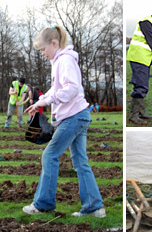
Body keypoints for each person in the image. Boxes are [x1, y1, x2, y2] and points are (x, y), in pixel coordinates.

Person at [22, 25, 105, 217]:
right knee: (81, 162)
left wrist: (49, 100)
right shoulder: (59, 61)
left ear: (54, 43)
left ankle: (43, 204)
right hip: (80, 116)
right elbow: (55, 89)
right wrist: (39, 103)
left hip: (74, 117)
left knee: (49, 155)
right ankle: (94, 207)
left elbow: (72, 88)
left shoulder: (65, 60)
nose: (42, 53)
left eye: (43, 49)